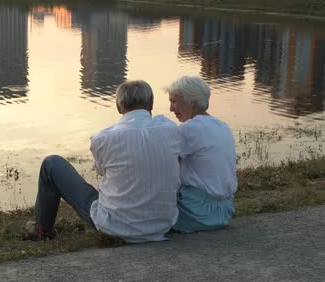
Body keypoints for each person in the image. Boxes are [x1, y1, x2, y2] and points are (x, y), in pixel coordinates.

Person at [26, 80, 181, 243]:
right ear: (151, 105)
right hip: (162, 225)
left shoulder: (103, 138)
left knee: (52, 164)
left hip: (116, 227)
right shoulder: (169, 128)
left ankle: (43, 229)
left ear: (118, 106)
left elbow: (102, 172)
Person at [165, 75, 237, 233]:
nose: (171, 108)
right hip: (225, 211)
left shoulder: (189, 128)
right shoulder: (222, 125)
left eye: (174, 101)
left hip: (199, 213)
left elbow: (166, 167)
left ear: (191, 101)